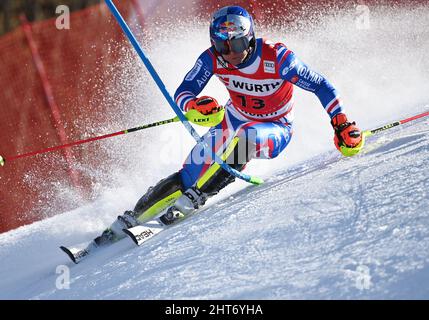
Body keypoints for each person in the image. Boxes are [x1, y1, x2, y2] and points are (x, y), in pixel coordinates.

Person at [94, 5, 363, 245]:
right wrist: (193, 106)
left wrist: (339, 122)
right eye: (222, 47)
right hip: (231, 119)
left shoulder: (278, 58)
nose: (230, 54)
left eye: (236, 45)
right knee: (188, 173)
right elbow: (184, 91)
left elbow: (321, 85)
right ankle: (131, 217)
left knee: (248, 136)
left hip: (275, 127)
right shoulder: (212, 58)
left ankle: (199, 195)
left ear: (250, 37)